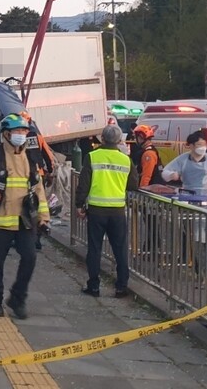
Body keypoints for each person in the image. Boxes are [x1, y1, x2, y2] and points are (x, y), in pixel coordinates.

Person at [0, 113, 51, 318]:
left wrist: (44, 217)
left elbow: (38, 190)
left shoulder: (31, 157)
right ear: (6, 134)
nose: (21, 135)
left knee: (30, 257)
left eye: (24, 131)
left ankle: (17, 298)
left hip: (24, 221)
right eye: (17, 131)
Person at [75, 123, 131, 298]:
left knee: (95, 248)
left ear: (102, 138)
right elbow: (134, 184)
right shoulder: (126, 159)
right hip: (117, 211)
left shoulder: (92, 156)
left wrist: (79, 205)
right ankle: (121, 287)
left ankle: (94, 286)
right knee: (120, 249)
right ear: (119, 140)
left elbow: (84, 184)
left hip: (97, 211)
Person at [161, 131, 207, 211]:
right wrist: (171, 175)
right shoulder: (182, 159)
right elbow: (165, 171)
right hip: (188, 196)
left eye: (204, 144)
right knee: (190, 220)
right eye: (199, 144)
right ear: (191, 146)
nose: (203, 147)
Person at [133, 124, 164, 188]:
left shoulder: (148, 154)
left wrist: (142, 189)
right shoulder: (149, 150)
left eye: (136, 137)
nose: (134, 140)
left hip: (152, 188)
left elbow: (146, 175)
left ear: (141, 137)